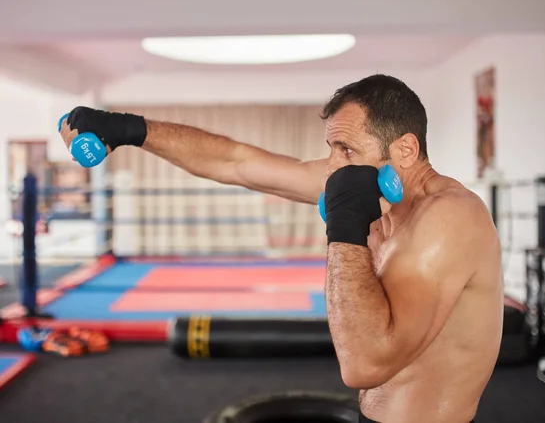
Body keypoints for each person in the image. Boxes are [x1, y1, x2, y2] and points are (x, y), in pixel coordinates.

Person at [60, 74, 504, 423]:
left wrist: (345, 229)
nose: (333, 166)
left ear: (405, 149)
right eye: (331, 148)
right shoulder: (372, 190)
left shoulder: (448, 218)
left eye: (345, 149)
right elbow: (237, 162)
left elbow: (365, 365)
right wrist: (131, 129)